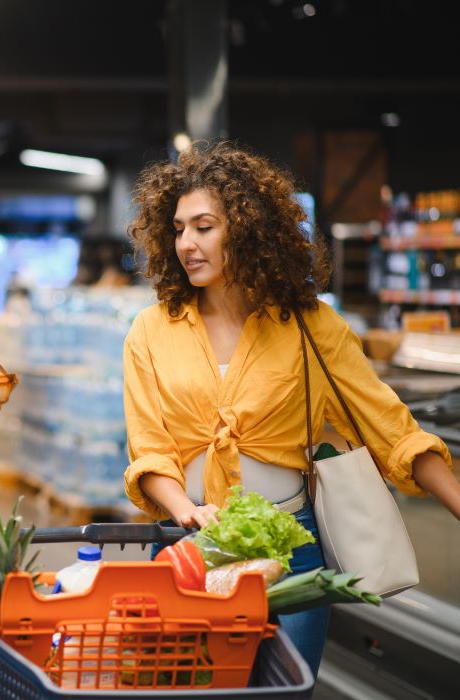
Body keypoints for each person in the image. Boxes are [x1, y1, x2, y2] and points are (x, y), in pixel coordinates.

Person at [121, 141, 460, 675]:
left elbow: (392, 430)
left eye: (204, 226)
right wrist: (186, 511)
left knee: (283, 690)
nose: (187, 242)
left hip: (292, 555)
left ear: (249, 227)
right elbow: (149, 450)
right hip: (193, 551)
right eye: (179, 228)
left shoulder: (310, 326)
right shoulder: (151, 331)